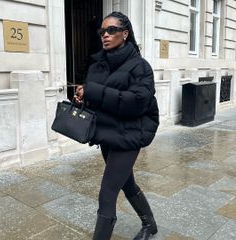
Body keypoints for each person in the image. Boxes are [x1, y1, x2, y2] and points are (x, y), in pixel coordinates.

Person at [74, 12, 159, 240]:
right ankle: (150, 225)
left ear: (125, 34)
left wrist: (93, 91)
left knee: (107, 193)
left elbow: (136, 103)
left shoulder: (140, 67)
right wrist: (84, 97)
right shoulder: (98, 65)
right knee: (126, 182)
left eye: (111, 30)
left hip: (130, 135)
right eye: (102, 31)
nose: (105, 35)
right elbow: (101, 99)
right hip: (106, 133)